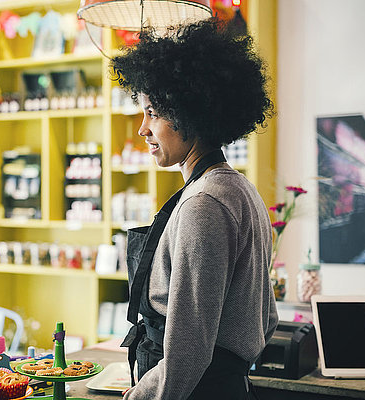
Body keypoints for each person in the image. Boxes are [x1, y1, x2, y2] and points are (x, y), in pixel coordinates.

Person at [111, 19, 278, 400]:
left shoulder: (204, 204)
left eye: (152, 113)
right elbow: (266, 319)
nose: (142, 129)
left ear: (191, 112)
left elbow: (187, 354)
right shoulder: (239, 189)